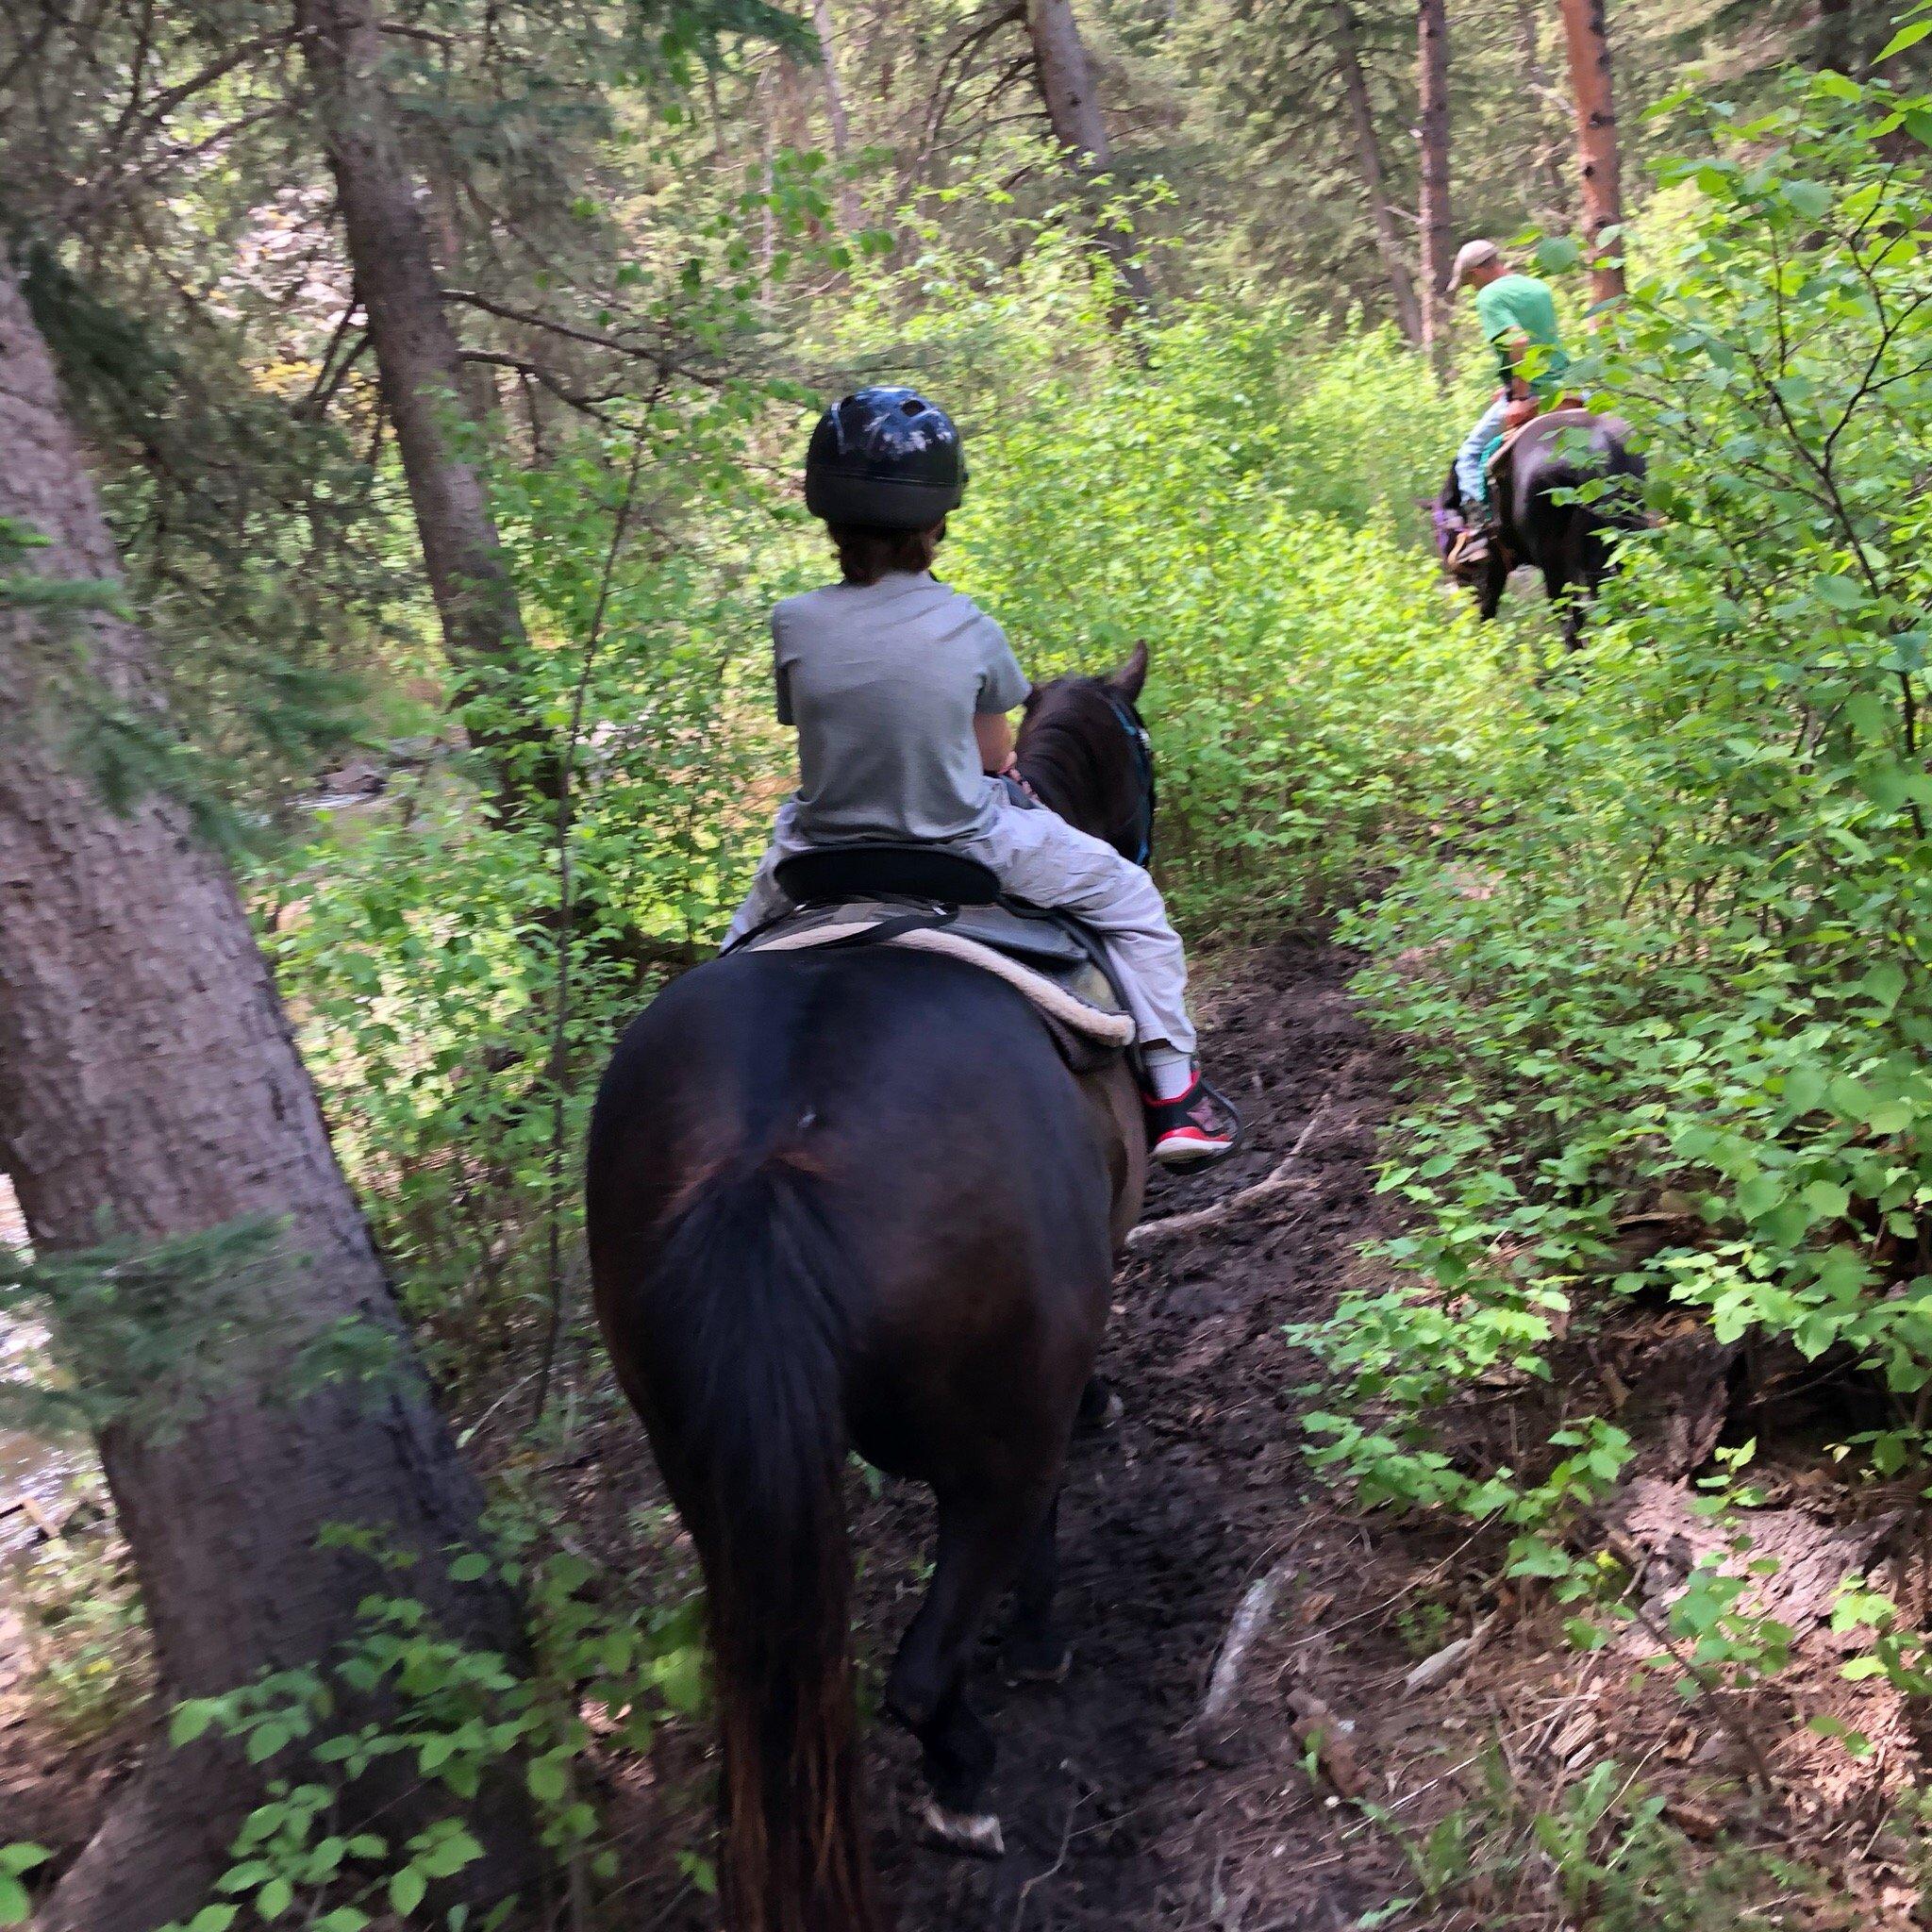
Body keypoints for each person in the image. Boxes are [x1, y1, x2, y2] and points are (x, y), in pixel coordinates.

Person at [724, 385, 1237, 1166]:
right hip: (963, 845)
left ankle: (726, 1055)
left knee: (735, 956)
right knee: (1133, 903)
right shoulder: (969, 625)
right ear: (937, 526)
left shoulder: (792, 620)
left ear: (829, 522)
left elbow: (810, 723)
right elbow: (998, 756)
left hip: (820, 848)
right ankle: (1174, 1092)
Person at [1446, 239, 1570, 548]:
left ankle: (1478, 531)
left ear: (1477, 272)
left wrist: (1518, 397)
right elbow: (1542, 344)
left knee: (1470, 455)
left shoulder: (1488, 296)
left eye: (1469, 282)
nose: (1471, 289)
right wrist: (1507, 384)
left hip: (1535, 392)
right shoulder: (1537, 288)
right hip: (1568, 384)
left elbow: (1518, 343)